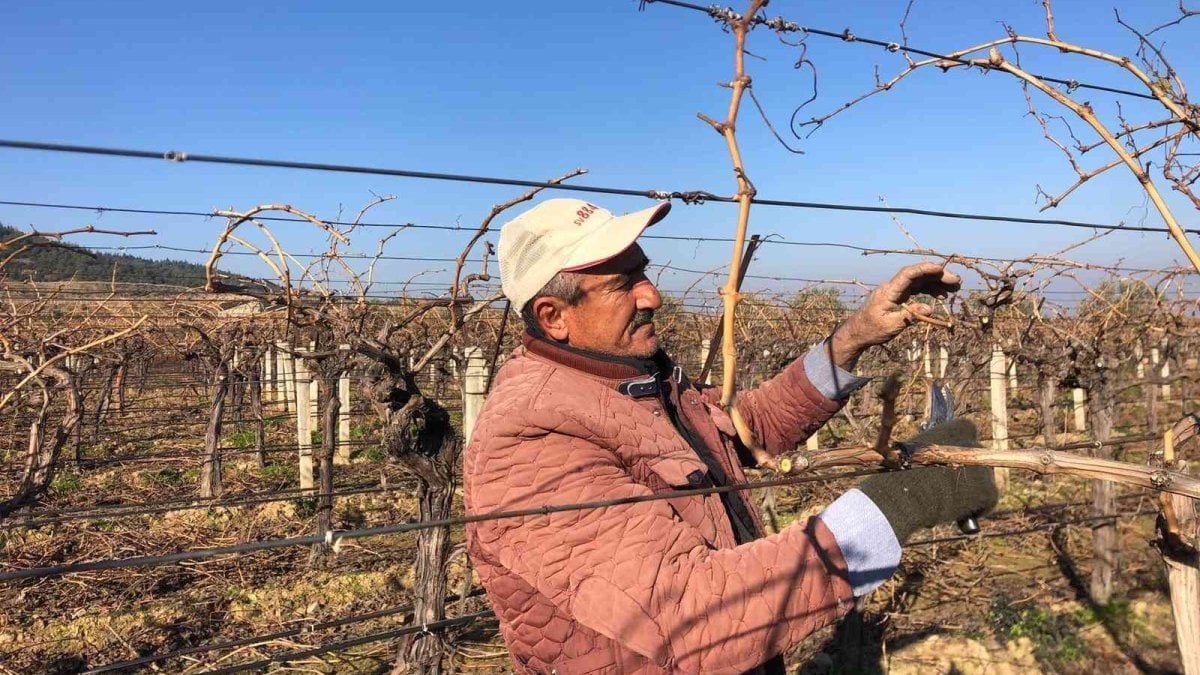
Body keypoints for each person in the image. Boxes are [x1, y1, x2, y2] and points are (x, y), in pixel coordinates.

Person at [463, 198, 997, 674]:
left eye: (643, 273)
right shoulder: (530, 435)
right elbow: (688, 613)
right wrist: (902, 504)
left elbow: (740, 434)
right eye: (625, 284)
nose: (653, 296)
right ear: (554, 316)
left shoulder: (625, 379)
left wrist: (853, 337)